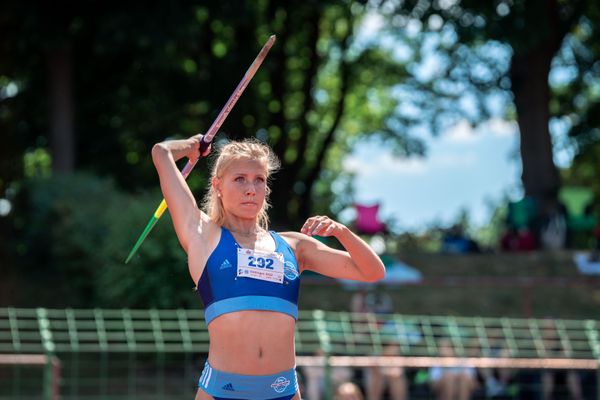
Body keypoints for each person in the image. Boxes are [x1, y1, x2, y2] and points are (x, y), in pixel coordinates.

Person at [151, 134, 386, 400]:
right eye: (239, 179)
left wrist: (342, 232)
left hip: (282, 391)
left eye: (259, 180)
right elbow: (161, 152)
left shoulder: (295, 246)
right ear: (217, 185)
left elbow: (373, 271)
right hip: (221, 392)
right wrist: (192, 146)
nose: (251, 189)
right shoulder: (202, 235)